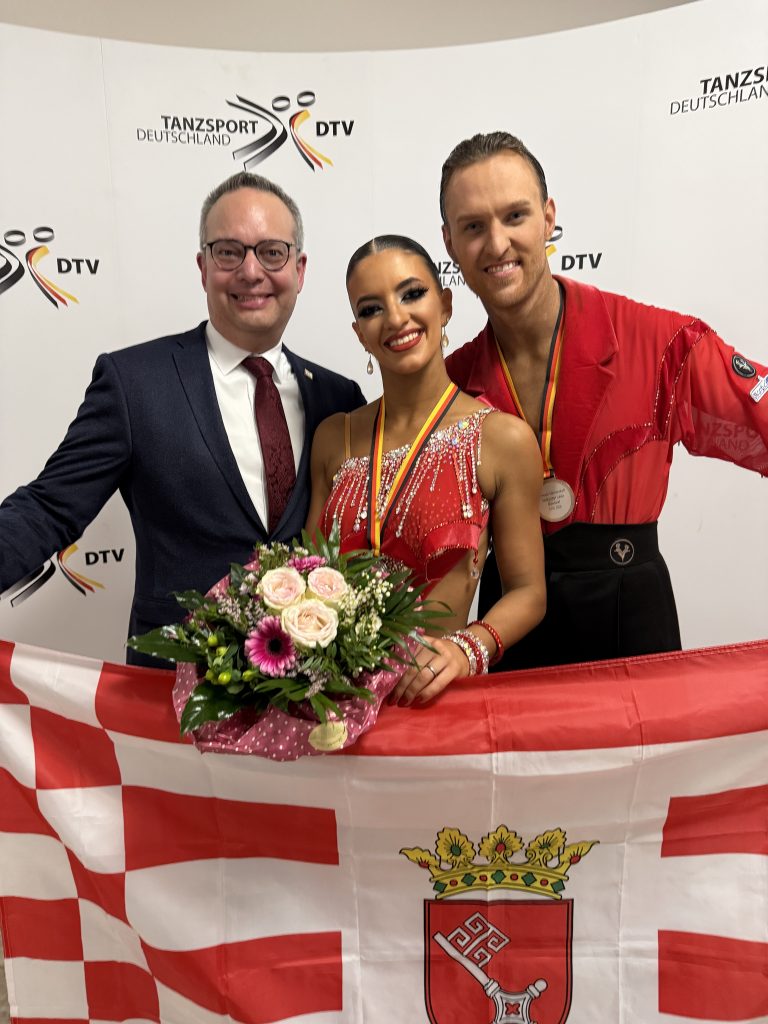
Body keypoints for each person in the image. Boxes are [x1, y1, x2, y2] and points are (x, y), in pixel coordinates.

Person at [0, 172, 365, 664]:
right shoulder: (134, 382)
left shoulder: (341, 399)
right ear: (203, 267)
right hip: (169, 689)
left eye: (272, 252)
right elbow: (49, 509)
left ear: (299, 270)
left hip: (313, 691)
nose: (251, 271)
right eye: (228, 252)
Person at [440, 131, 768, 670]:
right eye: (473, 226)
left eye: (515, 216)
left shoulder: (661, 343)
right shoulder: (448, 386)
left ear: (548, 219)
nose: (496, 244)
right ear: (450, 243)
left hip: (631, 617)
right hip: (506, 628)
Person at [306, 235, 546, 705]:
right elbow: (307, 577)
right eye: (372, 309)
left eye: (412, 294)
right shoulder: (334, 437)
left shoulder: (501, 439)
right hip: (334, 706)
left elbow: (529, 592)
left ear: (446, 305)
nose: (396, 318)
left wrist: (465, 649)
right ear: (359, 333)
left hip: (434, 702)